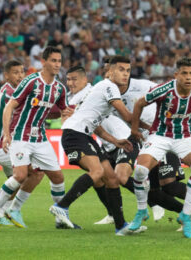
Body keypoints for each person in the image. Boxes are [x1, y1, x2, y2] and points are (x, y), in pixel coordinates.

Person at [50, 56, 146, 236]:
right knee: (97, 172)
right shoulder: (109, 86)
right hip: (74, 135)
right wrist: (151, 125)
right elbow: (126, 116)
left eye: (127, 71)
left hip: (85, 135)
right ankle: (62, 206)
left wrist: (115, 141)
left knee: (111, 178)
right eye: (120, 70)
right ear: (110, 72)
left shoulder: (101, 90)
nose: (125, 74)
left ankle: (120, 226)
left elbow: (98, 127)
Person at [0, 47, 68, 231]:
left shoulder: (59, 88)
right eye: (53, 60)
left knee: (57, 176)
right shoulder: (30, 81)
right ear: (43, 62)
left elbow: (60, 112)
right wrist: (6, 134)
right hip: (20, 135)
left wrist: (72, 116)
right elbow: (9, 107)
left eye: (59, 61)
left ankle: (60, 217)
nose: (57, 65)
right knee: (21, 175)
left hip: (41, 138)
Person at [128, 57, 191, 239]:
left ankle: (186, 216)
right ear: (176, 75)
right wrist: (134, 130)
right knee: (140, 171)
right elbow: (139, 103)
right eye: (184, 73)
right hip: (161, 135)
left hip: (184, 136)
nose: (188, 77)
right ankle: (142, 211)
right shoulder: (164, 89)